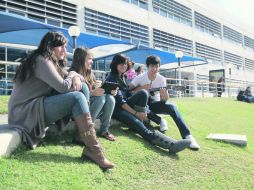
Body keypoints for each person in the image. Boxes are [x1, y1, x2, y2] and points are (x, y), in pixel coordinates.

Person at [8, 31, 114, 170]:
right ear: (50, 47)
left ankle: (81, 136)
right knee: (77, 97)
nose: (65, 50)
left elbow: (80, 82)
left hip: (36, 105)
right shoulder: (41, 60)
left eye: (65, 47)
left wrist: (75, 76)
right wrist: (73, 74)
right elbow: (63, 87)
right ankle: (95, 150)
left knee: (82, 89)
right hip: (24, 112)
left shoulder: (52, 62)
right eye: (61, 47)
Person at [105, 54, 191, 154]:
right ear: (115, 64)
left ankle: (144, 120)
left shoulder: (122, 76)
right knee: (139, 125)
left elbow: (128, 92)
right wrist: (136, 114)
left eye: (125, 63)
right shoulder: (112, 78)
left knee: (143, 93)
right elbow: (121, 102)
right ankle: (170, 144)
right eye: (120, 63)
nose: (123, 66)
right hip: (118, 110)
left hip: (126, 105)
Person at [130, 55, 200, 150]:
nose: (154, 69)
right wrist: (142, 88)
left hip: (155, 104)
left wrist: (165, 98)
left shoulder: (162, 79)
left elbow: (163, 101)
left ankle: (188, 136)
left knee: (173, 107)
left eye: (157, 66)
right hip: (142, 105)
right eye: (152, 66)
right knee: (144, 105)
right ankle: (160, 120)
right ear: (147, 66)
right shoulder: (140, 77)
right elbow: (129, 91)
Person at [70, 47, 117, 141]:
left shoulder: (90, 74)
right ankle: (84, 132)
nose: (92, 61)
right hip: (77, 112)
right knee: (101, 99)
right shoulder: (72, 74)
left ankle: (105, 130)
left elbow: (96, 90)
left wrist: (108, 90)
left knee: (110, 98)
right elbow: (74, 96)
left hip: (91, 108)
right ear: (80, 59)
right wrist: (92, 93)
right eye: (89, 59)